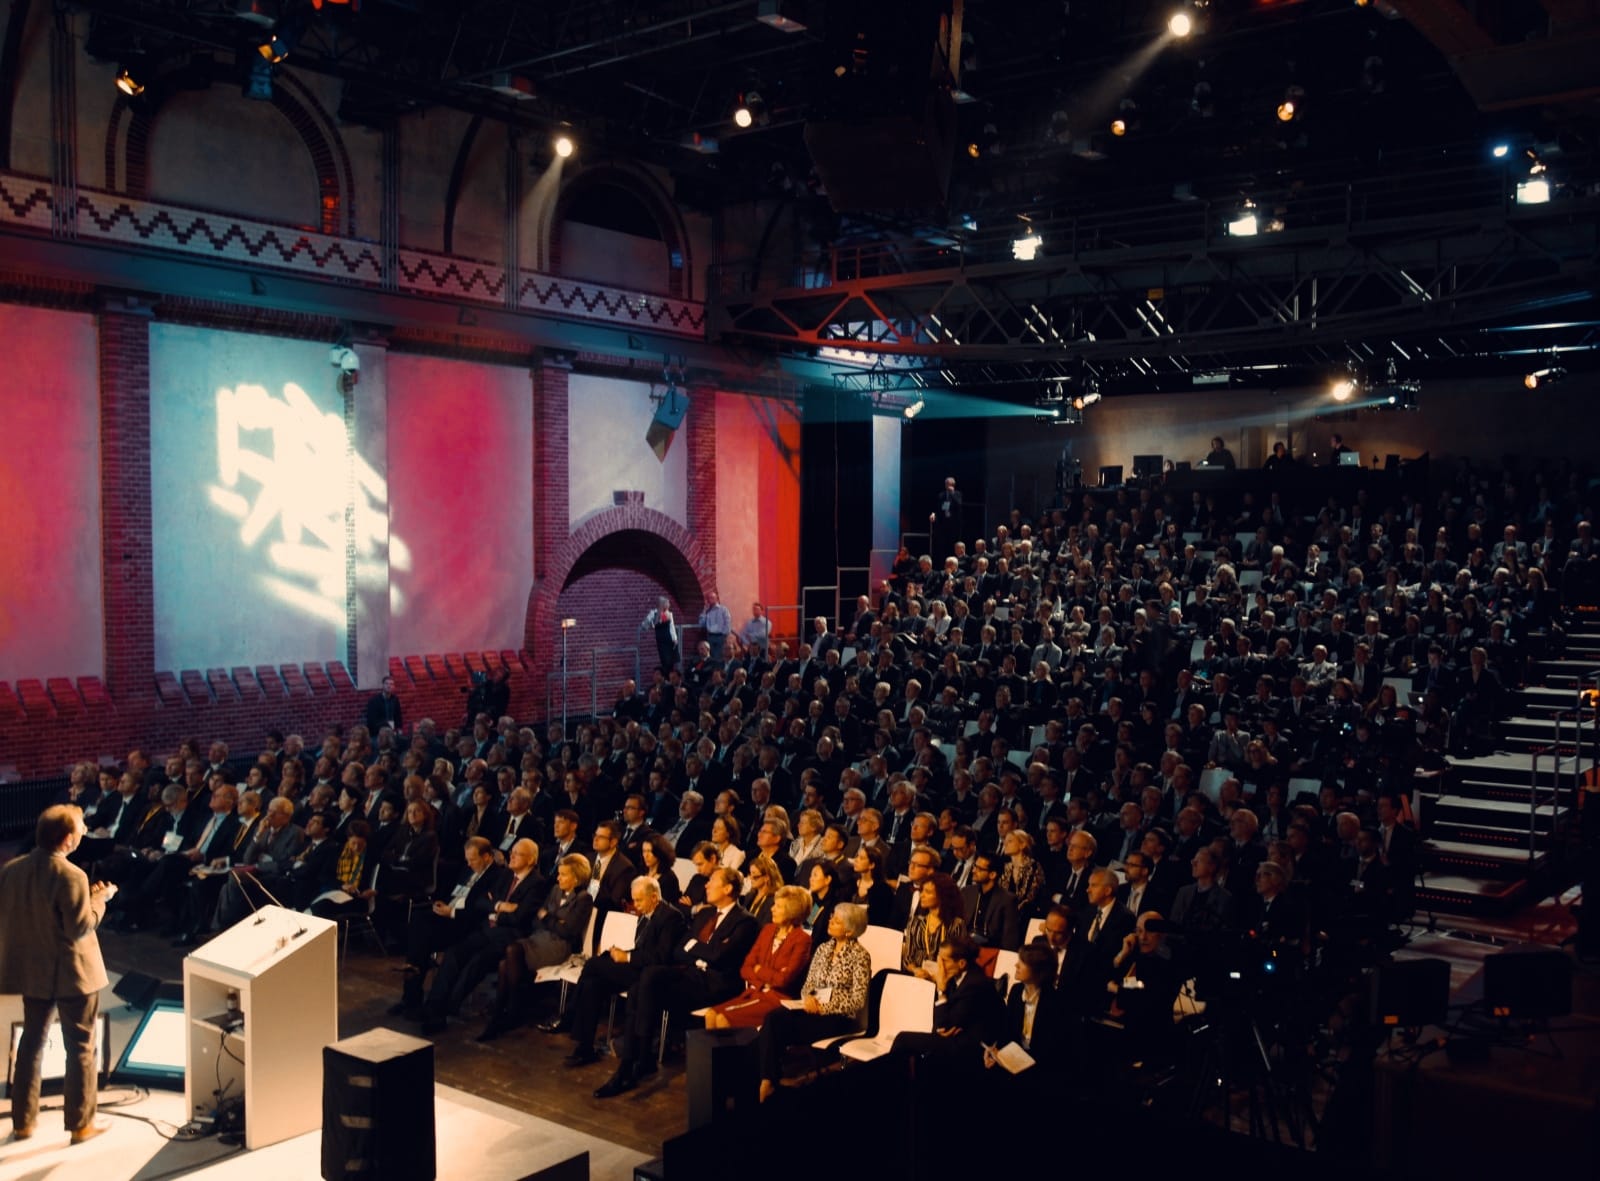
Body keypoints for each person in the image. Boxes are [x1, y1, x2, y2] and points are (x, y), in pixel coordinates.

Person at [0, 805, 113, 1144]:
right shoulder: (72, 875)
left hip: (32, 969)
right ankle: (80, 1125)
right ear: (66, 839)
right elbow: (80, 927)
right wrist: (100, 899)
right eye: (80, 829)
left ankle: (23, 1122)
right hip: (72, 973)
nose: (83, 833)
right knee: (80, 1047)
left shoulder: (11, 870)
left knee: (31, 1044)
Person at [755, 902, 873, 1102]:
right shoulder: (823, 949)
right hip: (811, 1008)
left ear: (850, 931)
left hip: (839, 1017)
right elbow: (808, 984)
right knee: (774, 1017)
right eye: (832, 917)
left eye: (837, 921)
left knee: (775, 1026)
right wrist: (807, 998)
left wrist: (823, 1007)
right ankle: (769, 1079)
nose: (830, 921)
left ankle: (768, 1081)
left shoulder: (860, 956)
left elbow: (857, 999)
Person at [704, 885, 814, 1029]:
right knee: (711, 1014)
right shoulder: (767, 930)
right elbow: (745, 968)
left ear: (792, 911)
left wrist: (758, 969)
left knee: (722, 1019)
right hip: (754, 992)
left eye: (778, 906)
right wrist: (765, 979)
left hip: (776, 1000)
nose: (772, 909)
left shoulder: (802, 939)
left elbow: (784, 980)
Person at [641, 595, 680, 675]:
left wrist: (675, 638)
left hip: (669, 639)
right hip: (661, 640)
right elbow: (645, 624)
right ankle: (666, 676)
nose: (669, 605)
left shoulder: (669, 614)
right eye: (667, 603)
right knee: (665, 660)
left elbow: (671, 627)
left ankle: (671, 676)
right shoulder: (654, 613)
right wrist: (652, 625)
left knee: (671, 661)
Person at [930, 476, 963, 559]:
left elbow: (959, 504)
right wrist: (933, 514)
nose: (947, 486)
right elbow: (937, 508)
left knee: (952, 545)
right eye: (946, 484)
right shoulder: (941, 495)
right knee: (942, 545)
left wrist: (952, 494)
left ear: (953, 485)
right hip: (943, 524)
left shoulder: (957, 494)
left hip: (954, 525)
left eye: (949, 484)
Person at [698, 592, 733, 662]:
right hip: (710, 636)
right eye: (709, 598)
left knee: (719, 656)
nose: (710, 600)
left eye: (712, 598)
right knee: (711, 655)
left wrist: (725, 634)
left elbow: (728, 622)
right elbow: (701, 624)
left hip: (720, 636)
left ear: (716, 599)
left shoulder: (723, 609)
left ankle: (718, 668)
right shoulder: (707, 611)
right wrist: (704, 611)